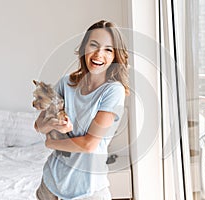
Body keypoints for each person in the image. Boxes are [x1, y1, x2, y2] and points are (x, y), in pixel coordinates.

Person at [34, 20, 130, 200]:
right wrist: (54, 124)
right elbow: (39, 125)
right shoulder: (66, 83)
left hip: (88, 189)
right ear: (84, 47)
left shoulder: (113, 91)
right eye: (94, 45)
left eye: (108, 49)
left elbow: (89, 144)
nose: (98, 54)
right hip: (51, 183)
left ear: (116, 56)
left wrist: (50, 143)